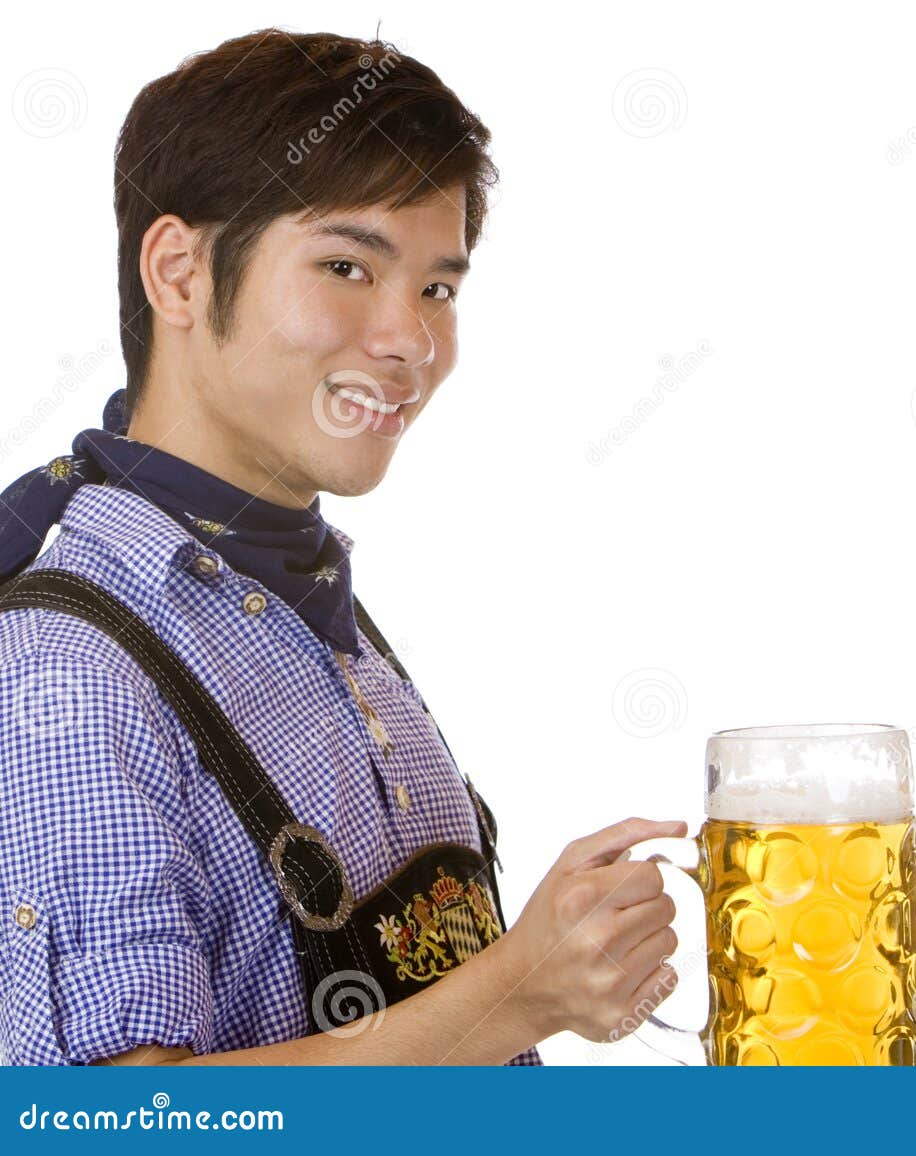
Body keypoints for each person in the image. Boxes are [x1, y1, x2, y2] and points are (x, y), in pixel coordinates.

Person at [0, 27, 683, 1066]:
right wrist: (517, 994)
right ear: (179, 274)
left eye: (438, 288)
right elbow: (107, 1125)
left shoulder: (312, 603)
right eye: (346, 266)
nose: (412, 340)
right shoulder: (67, 670)